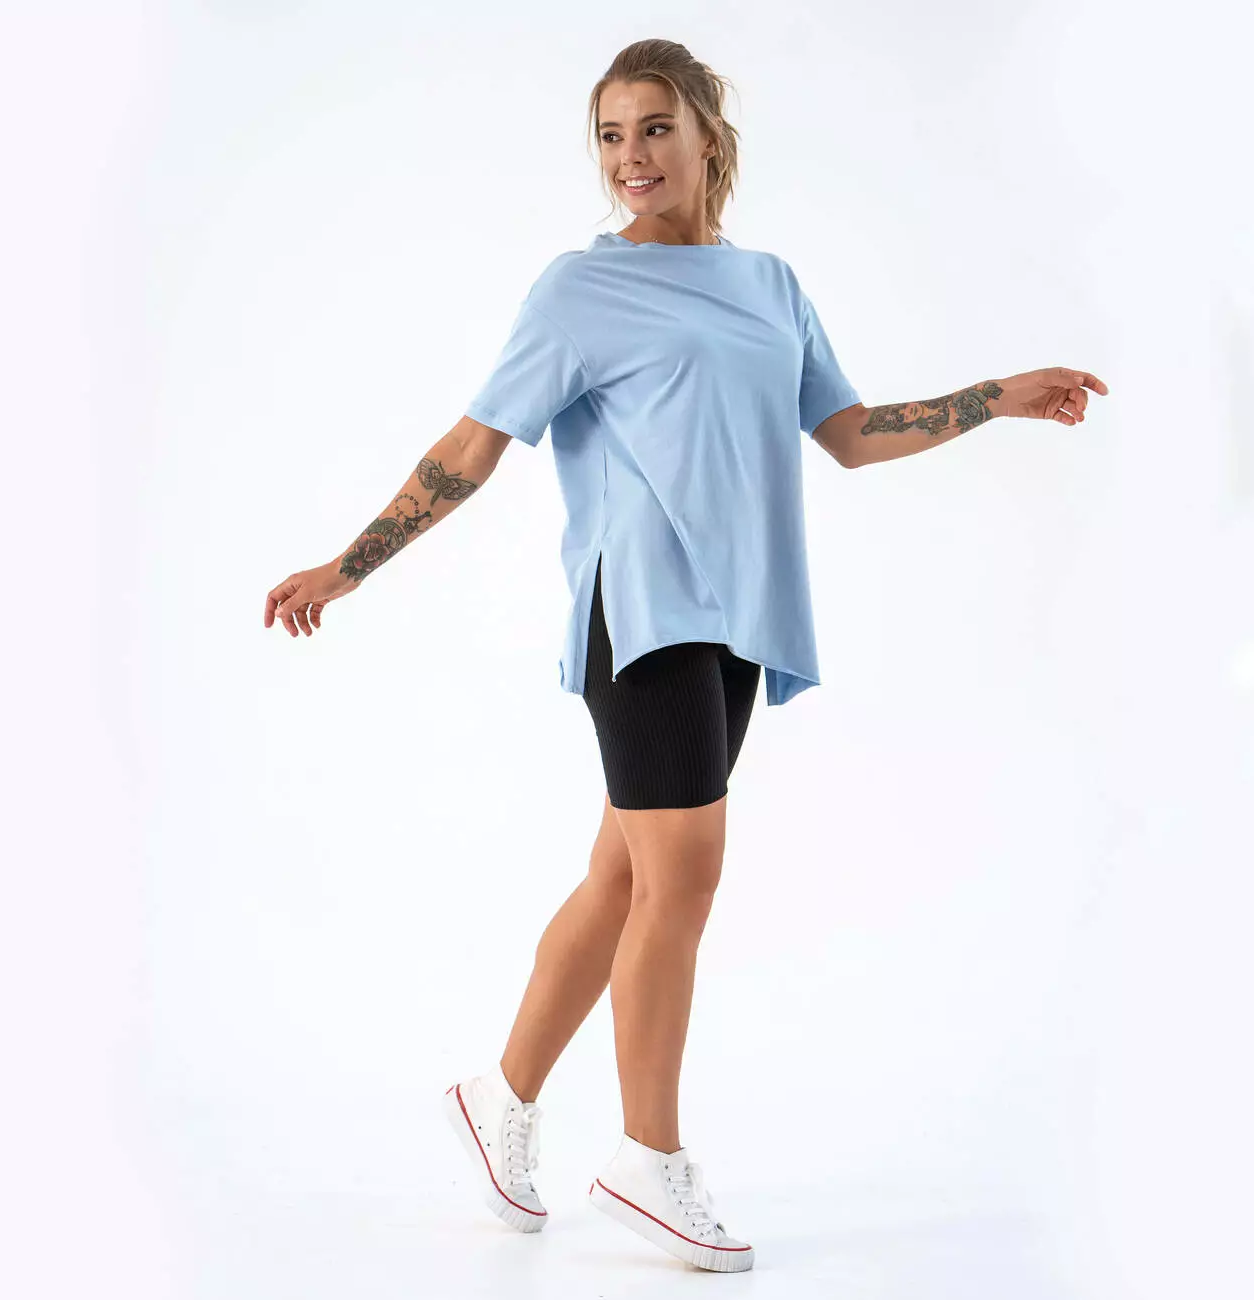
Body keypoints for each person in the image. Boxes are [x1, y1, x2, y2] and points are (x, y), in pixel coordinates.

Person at [263, 39, 1108, 1275]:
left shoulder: (769, 284)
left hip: (739, 624)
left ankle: (497, 1098)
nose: (631, 157)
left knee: (624, 879)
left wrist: (995, 395)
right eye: (611, 135)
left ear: (709, 134)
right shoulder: (578, 290)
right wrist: (349, 565)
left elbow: (850, 433)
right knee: (685, 880)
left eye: (654, 128)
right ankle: (645, 1158)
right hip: (644, 613)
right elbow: (471, 446)